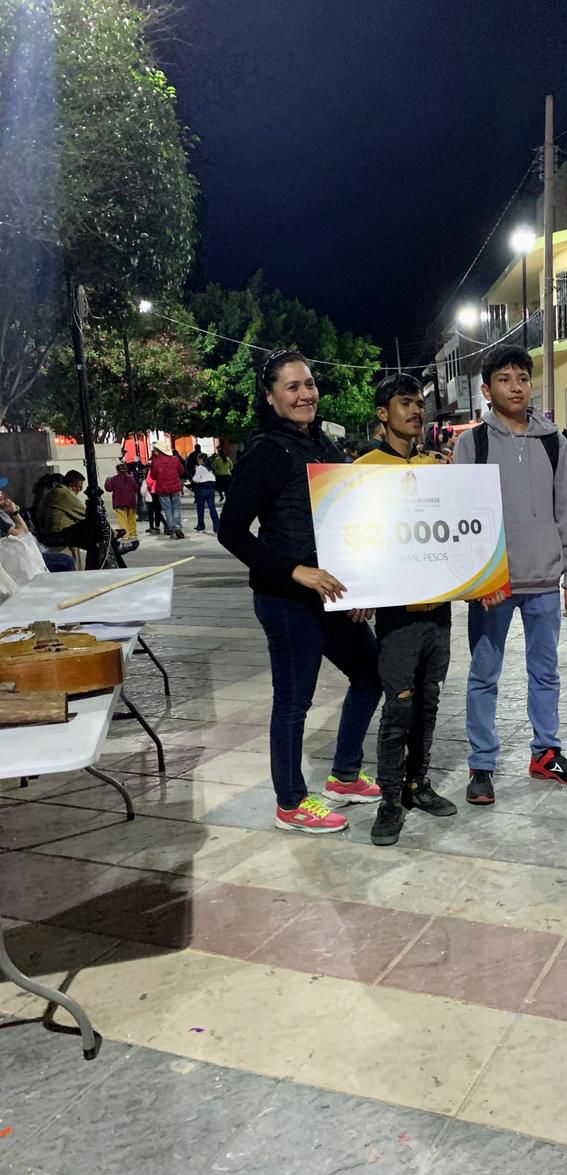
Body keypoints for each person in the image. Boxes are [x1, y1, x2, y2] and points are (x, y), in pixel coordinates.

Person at [218, 349, 382, 833]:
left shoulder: (322, 444)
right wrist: (296, 571)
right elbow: (232, 532)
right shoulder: (267, 451)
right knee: (293, 702)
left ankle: (344, 776)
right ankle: (290, 801)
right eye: (292, 387)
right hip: (287, 600)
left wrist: (357, 588)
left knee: (371, 675)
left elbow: (345, 521)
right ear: (270, 397)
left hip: (332, 594)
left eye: (308, 383)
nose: (305, 394)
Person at [453, 343, 567, 804]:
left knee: (545, 672)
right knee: (484, 674)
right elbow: (462, 517)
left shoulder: (554, 441)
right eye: (504, 379)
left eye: (522, 378)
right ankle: (481, 764)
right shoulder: (472, 444)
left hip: (544, 583)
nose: (515, 387)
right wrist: (478, 581)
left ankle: (546, 754)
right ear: (486, 390)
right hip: (494, 586)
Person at [357, 373, 457, 845]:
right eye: (404, 403)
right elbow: (353, 539)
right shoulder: (363, 470)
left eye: (419, 403)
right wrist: (358, 592)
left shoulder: (436, 467)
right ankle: (389, 799)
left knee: (428, 702)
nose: (416, 411)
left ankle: (419, 784)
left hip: (438, 610)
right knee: (398, 708)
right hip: (397, 615)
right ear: (383, 414)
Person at [148, 442, 186, 539]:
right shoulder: (175, 459)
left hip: (162, 488)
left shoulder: (155, 462)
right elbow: (182, 471)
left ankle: (172, 529)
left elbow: (153, 476)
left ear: (158, 451)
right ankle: (178, 527)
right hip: (175, 487)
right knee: (176, 508)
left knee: (167, 510)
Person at [104, 462, 139, 539]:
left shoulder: (114, 479)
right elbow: (136, 488)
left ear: (117, 470)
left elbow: (109, 488)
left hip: (119, 502)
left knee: (122, 519)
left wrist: (107, 481)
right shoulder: (131, 478)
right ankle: (133, 533)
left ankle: (125, 534)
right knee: (131, 518)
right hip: (131, 501)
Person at [191, 453, 220, 533]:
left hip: (202, 488)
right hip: (211, 488)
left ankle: (201, 525)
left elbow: (196, 479)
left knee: (200, 508)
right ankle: (217, 526)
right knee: (212, 508)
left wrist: (196, 470)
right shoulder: (210, 468)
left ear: (201, 459)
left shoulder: (200, 468)